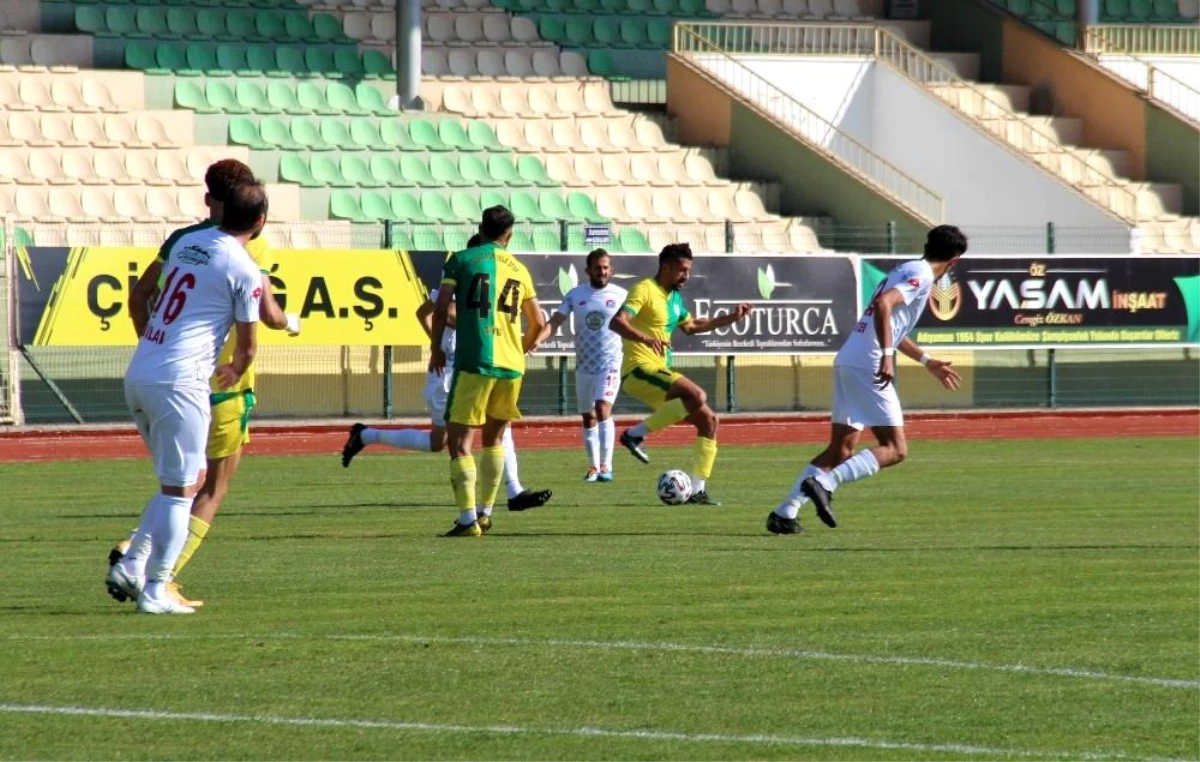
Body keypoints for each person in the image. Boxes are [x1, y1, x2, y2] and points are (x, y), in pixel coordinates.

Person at [107, 161, 299, 608]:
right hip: (182, 382)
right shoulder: (246, 269)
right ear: (260, 221)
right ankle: (157, 588)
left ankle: (133, 564)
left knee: (182, 480)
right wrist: (234, 368)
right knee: (184, 491)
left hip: (141, 371)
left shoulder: (186, 241)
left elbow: (147, 295)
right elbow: (248, 346)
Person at [766, 225, 967, 535]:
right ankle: (824, 483)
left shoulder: (906, 269)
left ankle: (784, 513)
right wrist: (886, 355)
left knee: (841, 449)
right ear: (954, 261)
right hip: (868, 363)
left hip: (850, 358)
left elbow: (892, 325)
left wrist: (927, 361)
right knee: (896, 449)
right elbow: (885, 306)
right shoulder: (923, 275)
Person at [340, 235, 552, 512]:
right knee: (440, 442)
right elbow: (430, 312)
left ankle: (513, 491)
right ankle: (366, 435)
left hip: (476, 365)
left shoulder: (490, 279)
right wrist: (439, 345)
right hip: (449, 370)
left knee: (499, 427)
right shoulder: (460, 275)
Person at [431, 206, 545, 537]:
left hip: (475, 361)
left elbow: (441, 308)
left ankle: (468, 520)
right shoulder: (520, 269)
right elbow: (538, 322)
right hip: (512, 366)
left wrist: (436, 346)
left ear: (480, 228)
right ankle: (486, 512)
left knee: (459, 442)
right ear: (508, 236)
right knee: (495, 438)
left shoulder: (462, 259)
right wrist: (520, 348)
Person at [608, 243, 752, 506]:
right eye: (681, 270)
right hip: (639, 370)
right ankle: (635, 434)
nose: (686, 276)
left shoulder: (674, 299)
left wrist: (731, 318)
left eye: (688, 271)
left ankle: (697, 490)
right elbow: (617, 321)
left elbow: (693, 326)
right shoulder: (644, 290)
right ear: (666, 267)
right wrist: (645, 338)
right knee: (696, 394)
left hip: (660, 370)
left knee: (709, 421)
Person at [538, 249, 627, 482]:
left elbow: (635, 323)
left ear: (612, 269)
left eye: (606, 267)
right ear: (588, 270)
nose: (602, 271)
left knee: (602, 408)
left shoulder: (621, 295)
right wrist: (538, 339)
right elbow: (556, 321)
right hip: (584, 366)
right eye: (598, 267)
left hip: (610, 364)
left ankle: (607, 466)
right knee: (588, 417)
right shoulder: (575, 295)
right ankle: (593, 467)